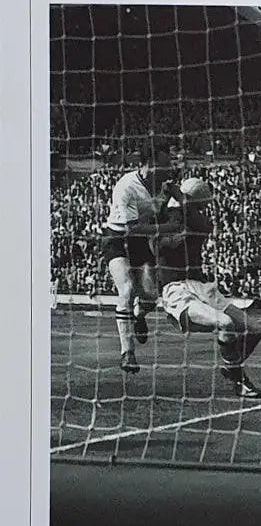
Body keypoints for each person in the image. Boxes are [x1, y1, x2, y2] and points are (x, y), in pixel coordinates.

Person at [157, 177, 261, 398]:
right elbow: (162, 244)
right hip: (176, 289)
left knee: (254, 330)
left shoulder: (198, 221)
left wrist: (176, 193)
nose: (205, 208)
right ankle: (239, 380)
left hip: (202, 287)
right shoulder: (164, 219)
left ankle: (231, 367)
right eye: (202, 204)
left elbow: (200, 225)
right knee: (224, 323)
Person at [100, 142, 179, 374]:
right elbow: (132, 228)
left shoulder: (163, 187)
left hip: (139, 242)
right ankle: (127, 353)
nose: (170, 169)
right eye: (165, 164)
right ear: (149, 165)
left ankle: (138, 314)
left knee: (150, 295)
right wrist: (169, 228)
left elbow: (169, 212)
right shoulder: (127, 186)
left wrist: (180, 198)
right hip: (117, 238)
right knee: (126, 289)